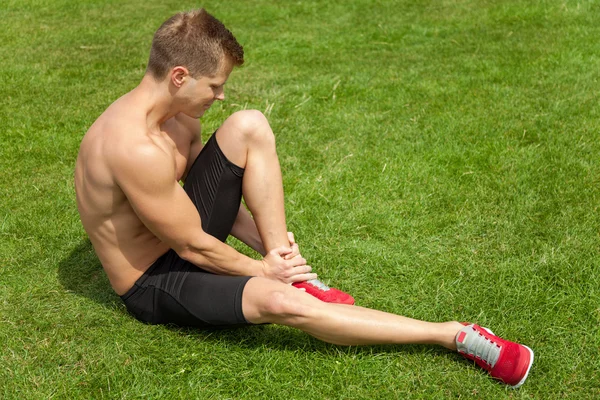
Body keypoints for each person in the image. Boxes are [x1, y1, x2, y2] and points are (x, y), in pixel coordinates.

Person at [74, 9, 534, 388]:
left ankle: (296, 276)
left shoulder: (179, 117)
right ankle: (453, 336)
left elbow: (201, 204)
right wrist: (262, 273)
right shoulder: (132, 147)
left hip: (182, 235)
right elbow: (190, 245)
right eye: (214, 85)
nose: (220, 95)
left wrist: (275, 257)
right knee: (281, 305)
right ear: (179, 76)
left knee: (249, 125)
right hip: (154, 278)